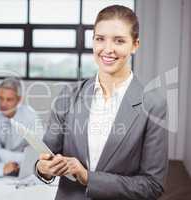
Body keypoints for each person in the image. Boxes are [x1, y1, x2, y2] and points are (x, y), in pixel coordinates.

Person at [35, 5, 168, 200]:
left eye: (119, 41)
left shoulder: (153, 103)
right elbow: (46, 154)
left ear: (135, 45)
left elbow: (152, 185)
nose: (107, 49)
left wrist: (88, 177)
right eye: (100, 39)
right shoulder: (69, 95)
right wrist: (43, 168)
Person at [0, 77, 43, 176]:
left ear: (19, 100)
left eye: (9, 100)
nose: (3, 104)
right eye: (1, 98)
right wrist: (24, 158)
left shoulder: (30, 115)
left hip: (25, 167)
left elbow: (39, 148)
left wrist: (25, 160)